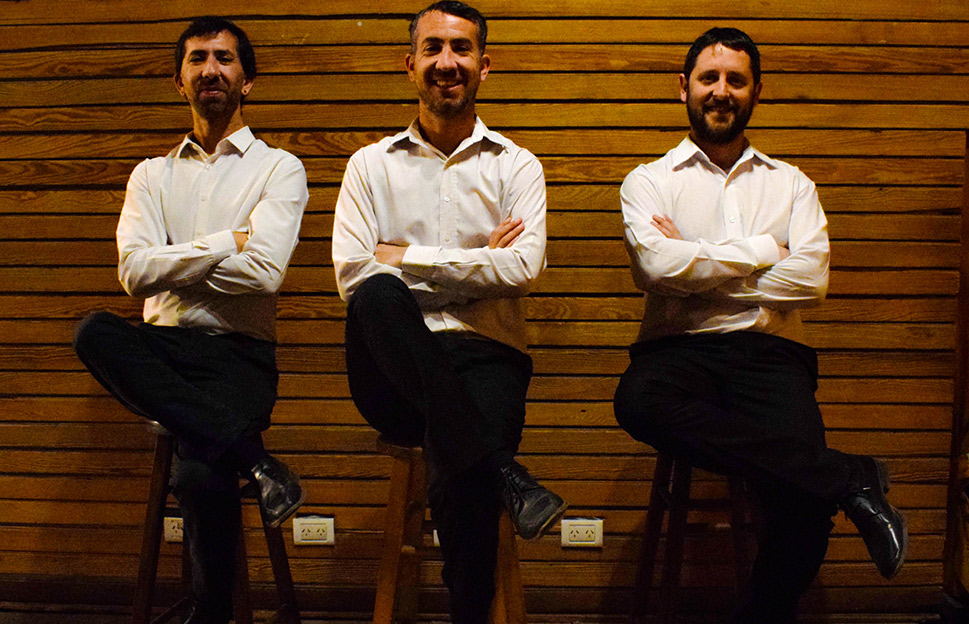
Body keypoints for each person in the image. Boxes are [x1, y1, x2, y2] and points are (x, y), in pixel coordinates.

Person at [613, 27, 907, 623]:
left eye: (736, 80)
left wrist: (697, 263)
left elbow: (810, 281)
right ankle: (849, 476)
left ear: (756, 91)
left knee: (804, 509)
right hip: (676, 352)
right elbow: (656, 269)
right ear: (684, 88)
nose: (721, 91)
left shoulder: (791, 184)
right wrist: (764, 251)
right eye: (709, 78)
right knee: (637, 402)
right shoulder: (649, 181)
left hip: (772, 355)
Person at [331, 2, 567, 621]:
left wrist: (405, 257)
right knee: (378, 297)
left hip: (488, 359)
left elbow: (522, 270)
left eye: (461, 48)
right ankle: (506, 472)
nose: (446, 61)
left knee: (461, 464)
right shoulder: (369, 166)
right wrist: (475, 265)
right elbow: (354, 275)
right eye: (432, 48)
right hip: (389, 373)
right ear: (409, 64)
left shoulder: (517, 166)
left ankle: (469, 607)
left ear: (484, 66)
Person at [72, 16, 308, 624]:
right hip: (162, 351)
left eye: (224, 58)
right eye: (197, 58)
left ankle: (209, 612)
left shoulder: (279, 168)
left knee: (202, 478)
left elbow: (264, 274)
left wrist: (173, 260)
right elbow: (134, 274)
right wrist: (228, 242)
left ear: (246, 80)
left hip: (238, 355)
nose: (211, 69)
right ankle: (256, 461)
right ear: (179, 81)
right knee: (93, 331)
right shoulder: (151, 174)